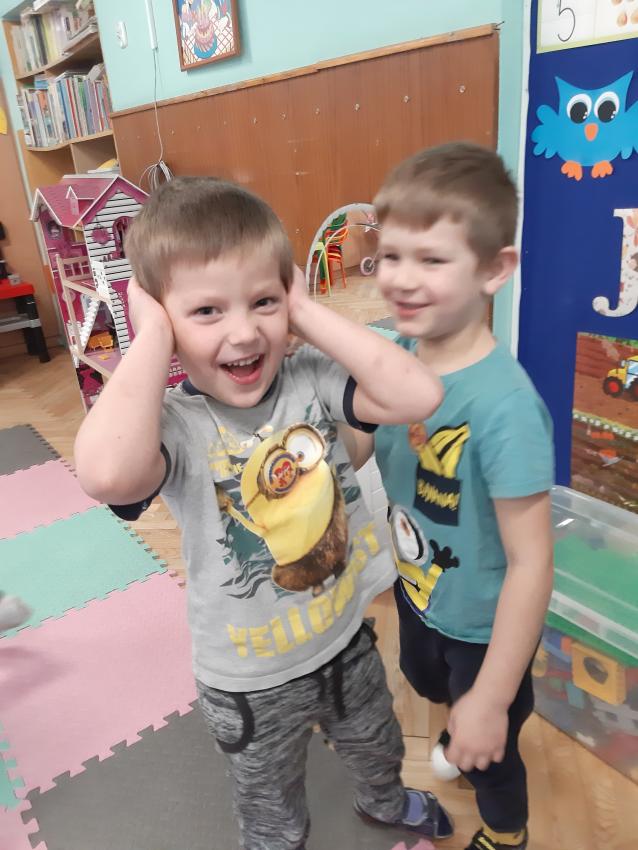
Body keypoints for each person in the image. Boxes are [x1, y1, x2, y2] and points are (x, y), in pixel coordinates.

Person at [73, 176, 452, 850]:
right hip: (249, 682)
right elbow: (104, 474)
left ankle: (385, 802)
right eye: (206, 311)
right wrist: (150, 336)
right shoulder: (176, 425)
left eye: (264, 301)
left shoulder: (310, 378)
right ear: (162, 319)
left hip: (345, 640)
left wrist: (303, 309)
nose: (245, 331)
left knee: (378, 744)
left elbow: (418, 393)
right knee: (270, 805)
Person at [346, 143, 555, 850]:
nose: (401, 279)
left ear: (494, 269)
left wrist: (491, 698)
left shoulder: (506, 408)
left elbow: (532, 563)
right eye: (390, 255)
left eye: (431, 260)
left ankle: (506, 833)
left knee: (492, 755)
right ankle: (463, 732)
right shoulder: (396, 357)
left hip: (486, 626)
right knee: (428, 684)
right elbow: (356, 447)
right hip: (420, 590)